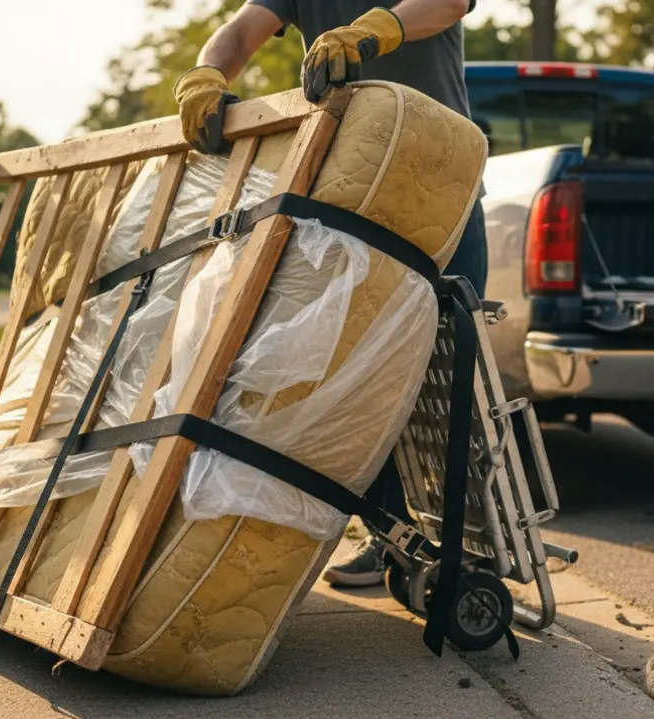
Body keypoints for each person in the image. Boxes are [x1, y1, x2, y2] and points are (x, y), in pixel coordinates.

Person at [175, 0, 485, 587]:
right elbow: (240, 32)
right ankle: (392, 539)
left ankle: (463, 548)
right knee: (364, 377)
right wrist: (207, 74)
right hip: (357, 200)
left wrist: (377, 30)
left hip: (445, 194)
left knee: (443, 380)